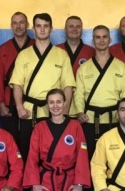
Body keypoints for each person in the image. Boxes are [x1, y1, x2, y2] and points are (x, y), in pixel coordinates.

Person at [9, 12, 76, 160]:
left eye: (46, 26)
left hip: (53, 111)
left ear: (51, 29)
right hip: (29, 111)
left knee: (51, 151)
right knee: (27, 152)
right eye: (39, 26)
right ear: (33, 29)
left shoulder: (61, 55)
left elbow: (68, 85)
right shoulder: (24, 55)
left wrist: (65, 107)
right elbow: (17, 84)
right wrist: (19, 107)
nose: (42, 29)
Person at [23, 89, 90, 191]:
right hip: (47, 180)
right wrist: (35, 184)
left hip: (69, 179)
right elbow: (32, 157)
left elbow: (82, 156)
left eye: (58, 102)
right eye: (51, 102)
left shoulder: (75, 126)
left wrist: (79, 184)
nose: (55, 106)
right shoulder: (40, 127)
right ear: (47, 105)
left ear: (65, 103)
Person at [71, 25, 125, 159]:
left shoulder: (120, 67)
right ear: (93, 41)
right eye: (97, 37)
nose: (101, 40)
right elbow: (79, 94)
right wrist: (80, 112)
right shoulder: (84, 68)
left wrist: (124, 114)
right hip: (90, 119)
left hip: (114, 118)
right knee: (90, 155)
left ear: (110, 40)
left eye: (104, 37)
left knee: (114, 156)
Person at [0, 11, 33, 154]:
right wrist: (1, 105)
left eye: (21, 22)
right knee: (11, 139)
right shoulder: (4, 48)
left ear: (27, 25)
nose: (18, 26)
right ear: (11, 26)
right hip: (8, 100)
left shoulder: (35, 45)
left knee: (30, 139)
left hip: (31, 100)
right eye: (15, 23)